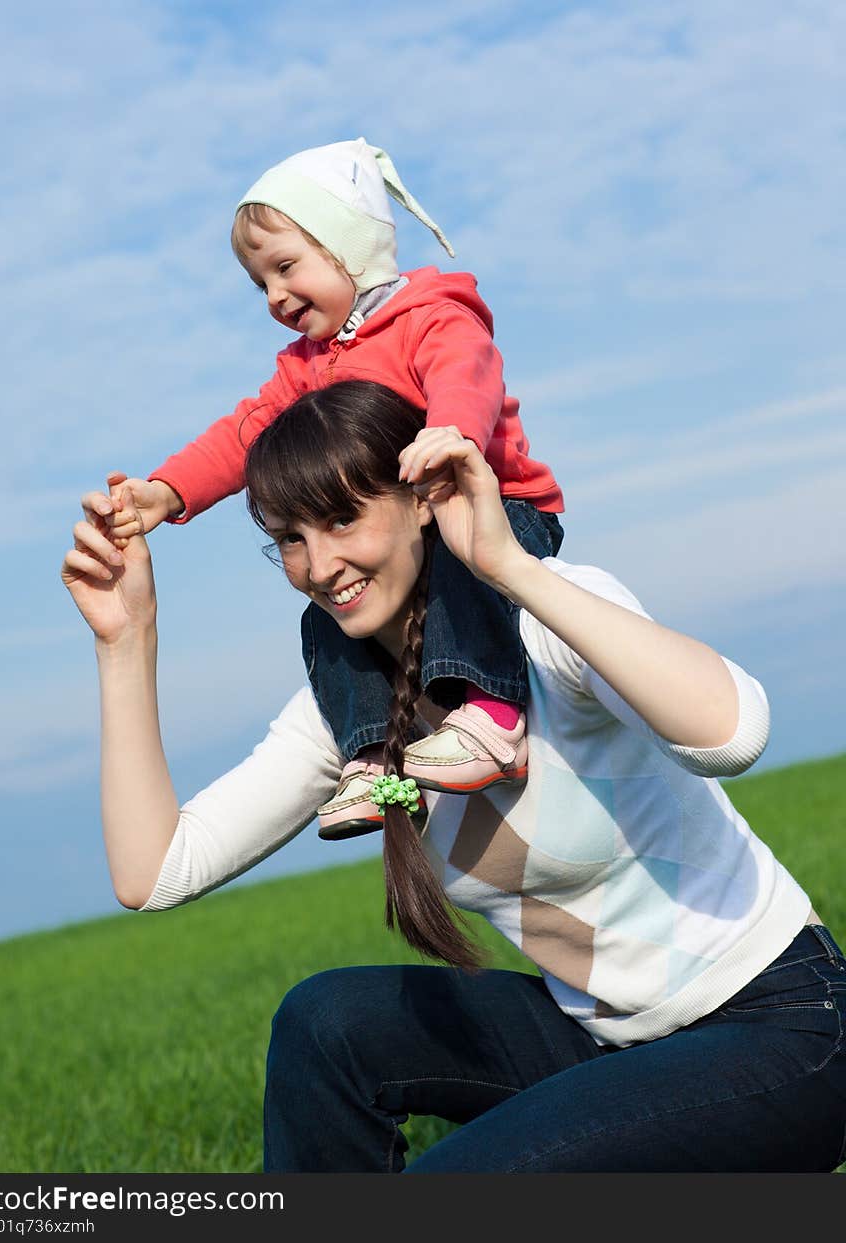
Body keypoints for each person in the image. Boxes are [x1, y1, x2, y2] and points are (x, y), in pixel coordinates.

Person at [64, 380, 846, 1173]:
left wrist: (508, 563)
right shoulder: (348, 708)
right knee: (325, 1021)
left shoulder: (542, 618)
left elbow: (734, 733)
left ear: (420, 500)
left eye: (342, 518)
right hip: (601, 1038)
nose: (320, 565)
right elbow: (156, 870)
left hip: (777, 1029)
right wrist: (126, 642)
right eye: (291, 537)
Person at [84, 137, 566, 839]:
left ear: (349, 244)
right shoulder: (309, 364)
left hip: (504, 510)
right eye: (262, 283)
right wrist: (167, 491)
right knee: (325, 618)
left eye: (286, 267)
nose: (276, 296)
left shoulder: (431, 314)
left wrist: (453, 432)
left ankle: (493, 716)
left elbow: (467, 373)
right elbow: (245, 433)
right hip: (419, 534)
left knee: (467, 564)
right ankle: (372, 757)